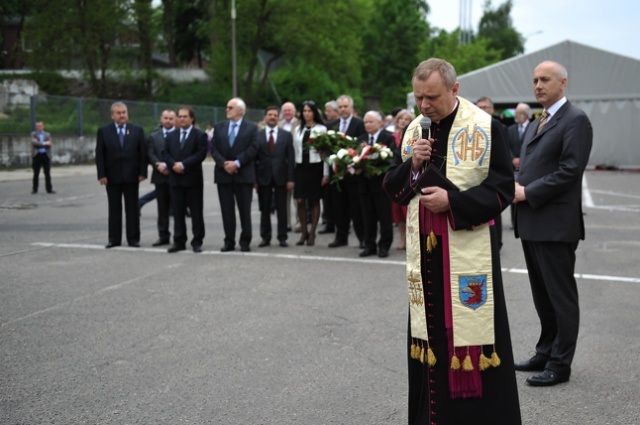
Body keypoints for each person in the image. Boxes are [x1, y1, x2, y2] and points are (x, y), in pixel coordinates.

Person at [383, 58, 521, 424]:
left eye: (432, 97)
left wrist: (453, 202)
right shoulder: (415, 130)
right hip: (425, 263)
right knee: (430, 344)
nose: (424, 106)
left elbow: (502, 191)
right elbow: (392, 188)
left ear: (454, 89)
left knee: (470, 340)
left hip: (466, 255)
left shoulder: (487, 126)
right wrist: (412, 166)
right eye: (418, 98)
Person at [513, 61, 593, 387]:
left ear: (563, 82)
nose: (538, 85)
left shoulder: (575, 120)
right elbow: (529, 165)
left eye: (545, 79)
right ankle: (545, 351)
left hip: (555, 223)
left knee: (560, 297)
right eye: (534, 80)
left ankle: (560, 365)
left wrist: (527, 191)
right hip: (531, 220)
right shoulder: (535, 123)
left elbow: (570, 170)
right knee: (542, 296)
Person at [95, 102, 147, 248]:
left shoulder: (137, 130)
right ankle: (114, 239)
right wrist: (101, 175)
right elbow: (100, 154)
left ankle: (133, 238)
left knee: (132, 209)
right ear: (112, 115)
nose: (122, 115)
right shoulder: (104, 131)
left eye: (124, 112)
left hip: (132, 176)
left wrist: (143, 172)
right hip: (112, 177)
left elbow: (142, 153)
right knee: (114, 209)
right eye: (119, 113)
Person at [211, 97, 259, 252]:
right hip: (223, 174)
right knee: (227, 210)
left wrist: (237, 163)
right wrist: (224, 163)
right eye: (227, 107)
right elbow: (214, 148)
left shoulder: (251, 128)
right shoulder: (219, 127)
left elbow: (253, 148)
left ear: (240, 110)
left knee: (245, 209)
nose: (227, 110)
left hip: (243, 174)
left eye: (230, 107)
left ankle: (245, 241)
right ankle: (229, 241)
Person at [163, 106, 208, 253]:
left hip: (193, 180)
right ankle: (179, 241)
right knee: (177, 212)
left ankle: (197, 241)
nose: (182, 119)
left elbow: (200, 154)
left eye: (185, 116)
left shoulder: (199, 135)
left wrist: (183, 165)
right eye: (180, 116)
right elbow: (165, 153)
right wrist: (173, 165)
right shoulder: (171, 135)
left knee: (196, 212)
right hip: (175, 180)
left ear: (192, 118)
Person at [326, 95, 367, 248]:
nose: (343, 109)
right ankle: (341, 236)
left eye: (345, 106)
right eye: (340, 107)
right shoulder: (331, 125)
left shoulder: (359, 124)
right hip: (337, 173)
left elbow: (362, 141)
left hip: (353, 173)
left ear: (351, 107)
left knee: (356, 208)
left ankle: (362, 238)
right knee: (338, 207)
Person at [357, 110, 395, 258]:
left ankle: (384, 246)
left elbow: (392, 159)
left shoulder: (388, 138)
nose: (367, 125)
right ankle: (369, 245)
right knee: (367, 217)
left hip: (381, 185)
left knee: (384, 217)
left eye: (371, 121)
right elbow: (355, 157)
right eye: (365, 122)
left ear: (380, 123)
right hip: (364, 184)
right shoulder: (360, 140)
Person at [256, 106, 295, 248]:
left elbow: (290, 158)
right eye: (269, 114)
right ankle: (265, 237)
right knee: (264, 209)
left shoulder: (286, 135)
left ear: (278, 118)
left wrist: (291, 179)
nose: (272, 117)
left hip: (281, 177)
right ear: (265, 117)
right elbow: (255, 158)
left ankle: (282, 237)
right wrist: (255, 180)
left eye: (275, 115)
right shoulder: (258, 135)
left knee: (282, 209)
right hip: (263, 177)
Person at [292, 100, 328, 246]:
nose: (306, 113)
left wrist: (326, 174)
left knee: (314, 200)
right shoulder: (298, 129)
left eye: (309, 111)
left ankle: (312, 233)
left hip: (316, 167)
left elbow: (325, 153)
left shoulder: (321, 129)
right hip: (301, 167)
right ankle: (304, 232)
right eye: (304, 111)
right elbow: (295, 150)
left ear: (314, 113)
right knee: (300, 200)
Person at [476, 96, 506, 249]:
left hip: (493, 173)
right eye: (478, 107)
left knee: (495, 211)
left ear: (492, 110)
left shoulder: (497, 126)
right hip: (477, 174)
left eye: (484, 107)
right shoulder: (473, 127)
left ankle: (497, 242)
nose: (481, 110)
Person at [147, 109, 176, 246]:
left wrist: (169, 166)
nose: (168, 121)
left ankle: (179, 236)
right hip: (159, 176)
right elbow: (150, 153)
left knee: (178, 209)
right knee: (162, 209)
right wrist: (157, 165)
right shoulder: (154, 136)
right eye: (166, 118)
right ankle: (163, 235)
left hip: (176, 176)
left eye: (171, 118)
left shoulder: (179, 135)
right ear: (161, 119)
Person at [391, 109, 415, 250]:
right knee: (397, 212)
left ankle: (411, 239)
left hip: (408, 177)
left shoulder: (412, 136)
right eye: (401, 118)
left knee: (407, 211)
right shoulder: (391, 137)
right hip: (396, 177)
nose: (403, 121)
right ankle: (403, 239)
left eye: (406, 119)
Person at [507, 103, 531, 229]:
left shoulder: (534, 127)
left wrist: (523, 159)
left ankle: (526, 221)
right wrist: (512, 159)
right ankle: (514, 222)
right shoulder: (511, 129)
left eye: (518, 113)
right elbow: (507, 146)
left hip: (528, 168)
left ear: (526, 114)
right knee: (513, 193)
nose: (516, 115)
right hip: (513, 168)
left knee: (526, 193)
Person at [279, 101, 298, 231]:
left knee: (297, 196)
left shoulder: (300, 124)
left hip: (296, 163)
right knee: (283, 197)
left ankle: (299, 223)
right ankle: (286, 223)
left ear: (294, 112)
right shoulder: (279, 125)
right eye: (285, 110)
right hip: (281, 165)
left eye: (289, 110)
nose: (287, 113)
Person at [30, 121, 55, 194]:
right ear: (36, 127)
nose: (39, 127)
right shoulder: (33, 134)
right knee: (36, 173)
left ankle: (49, 189)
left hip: (45, 155)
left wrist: (40, 143)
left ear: (43, 126)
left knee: (47, 173)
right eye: (38, 126)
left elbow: (50, 144)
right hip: (37, 155)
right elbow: (34, 143)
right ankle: (35, 189)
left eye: (40, 126)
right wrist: (44, 143)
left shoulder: (47, 134)